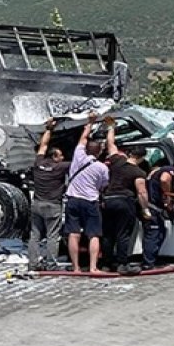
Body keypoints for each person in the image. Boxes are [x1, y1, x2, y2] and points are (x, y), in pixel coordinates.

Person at [101, 117, 151, 274]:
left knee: (108, 234)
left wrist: (111, 127)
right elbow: (141, 192)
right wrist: (145, 209)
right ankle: (122, 264)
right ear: (141, 158)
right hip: (124, 202)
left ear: (130, 153)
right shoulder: (139, 172)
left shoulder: (117, 161)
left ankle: (106, 264)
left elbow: (110, 144)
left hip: (108, 200)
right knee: (123, 234)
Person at [64, 113, 110, 273]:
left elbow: (83, 138)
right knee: (93, 234)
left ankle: (76, 267)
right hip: (90, 201)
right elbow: (104, 185)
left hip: (72, 200)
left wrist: (90, 123)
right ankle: (93, 267)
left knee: (73, 234)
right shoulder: (102, 168)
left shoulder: (78, 156)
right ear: (99, 152)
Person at [28, 118, 70, 271]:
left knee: (35, 235)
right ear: (54, 157)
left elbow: (43, 145)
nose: (63, 158)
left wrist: (48, 129)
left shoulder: (38, 163)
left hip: (37, 205)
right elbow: (79, 160)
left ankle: (33, 263)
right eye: (60, 156)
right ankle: (51, 264)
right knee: (52, 236)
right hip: (53, 206)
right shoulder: (60, 167)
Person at [144, 160, 174, 269]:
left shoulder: (159, 169)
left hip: (154, 207)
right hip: (153, 207)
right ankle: (148, 263)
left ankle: (152, 259)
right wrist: (168, 197)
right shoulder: (170, 171)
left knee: (161, 233)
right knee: (154, 234)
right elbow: (164, 179)